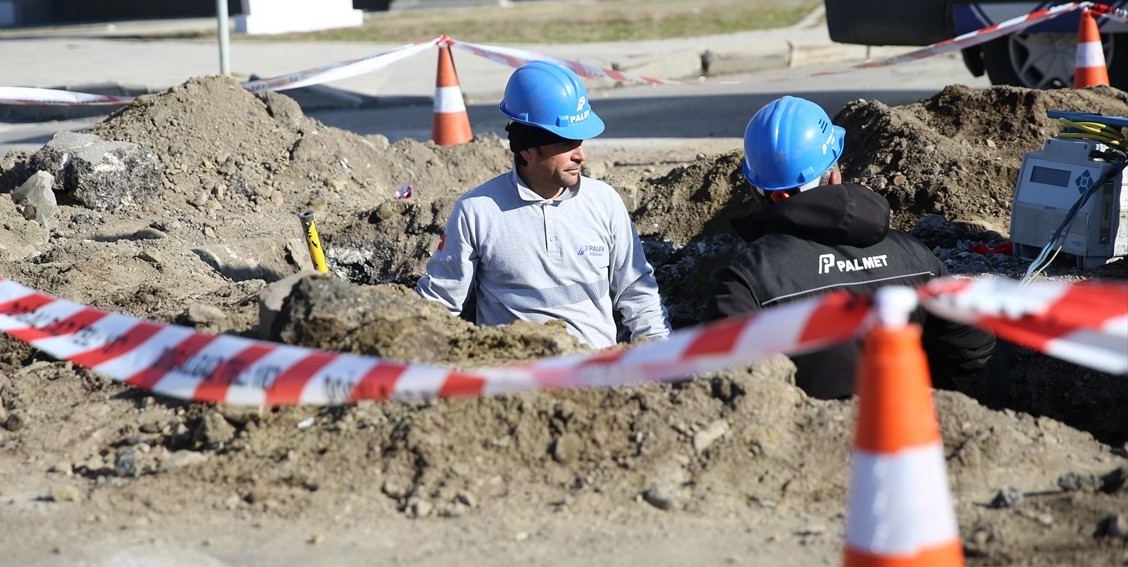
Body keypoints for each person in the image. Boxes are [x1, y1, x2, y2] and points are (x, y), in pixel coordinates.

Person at [702, 95, 995, 399]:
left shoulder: (745, 281)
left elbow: (727, 382)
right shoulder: (914, 256)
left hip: (806, 429)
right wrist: (928, 398)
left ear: (756, 190)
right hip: (906, 423)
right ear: (835, 175)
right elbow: (972, 344)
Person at [415, 61, 671, 349]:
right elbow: (438, 305)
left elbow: (638, 293)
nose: (581, 155)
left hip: (596, 369)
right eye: (566, 144)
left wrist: (662, 352)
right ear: (526, 149)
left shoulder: (604, 202)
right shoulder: (477, 212)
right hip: (518, 373)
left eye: (580, 141)